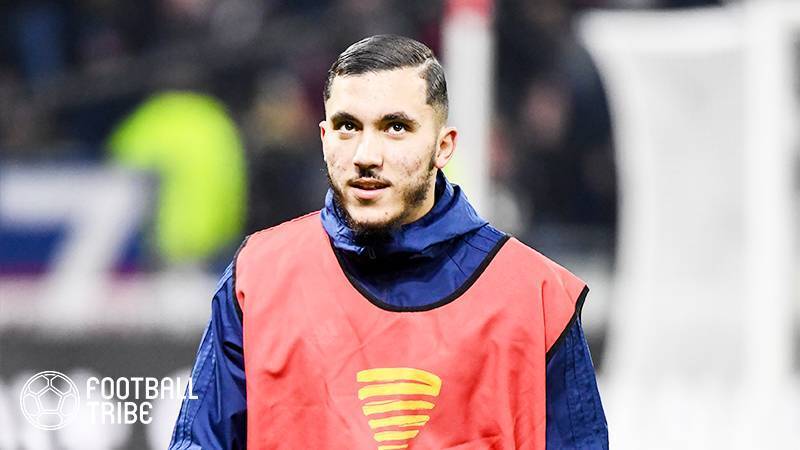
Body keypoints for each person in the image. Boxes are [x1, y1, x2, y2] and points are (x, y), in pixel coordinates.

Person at [169, 34, 608, 449]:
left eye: (395, 127)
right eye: (347, 126)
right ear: (324, 139)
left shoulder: (537, 298)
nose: (366, 155)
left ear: (443, 147)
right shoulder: (257, 278)